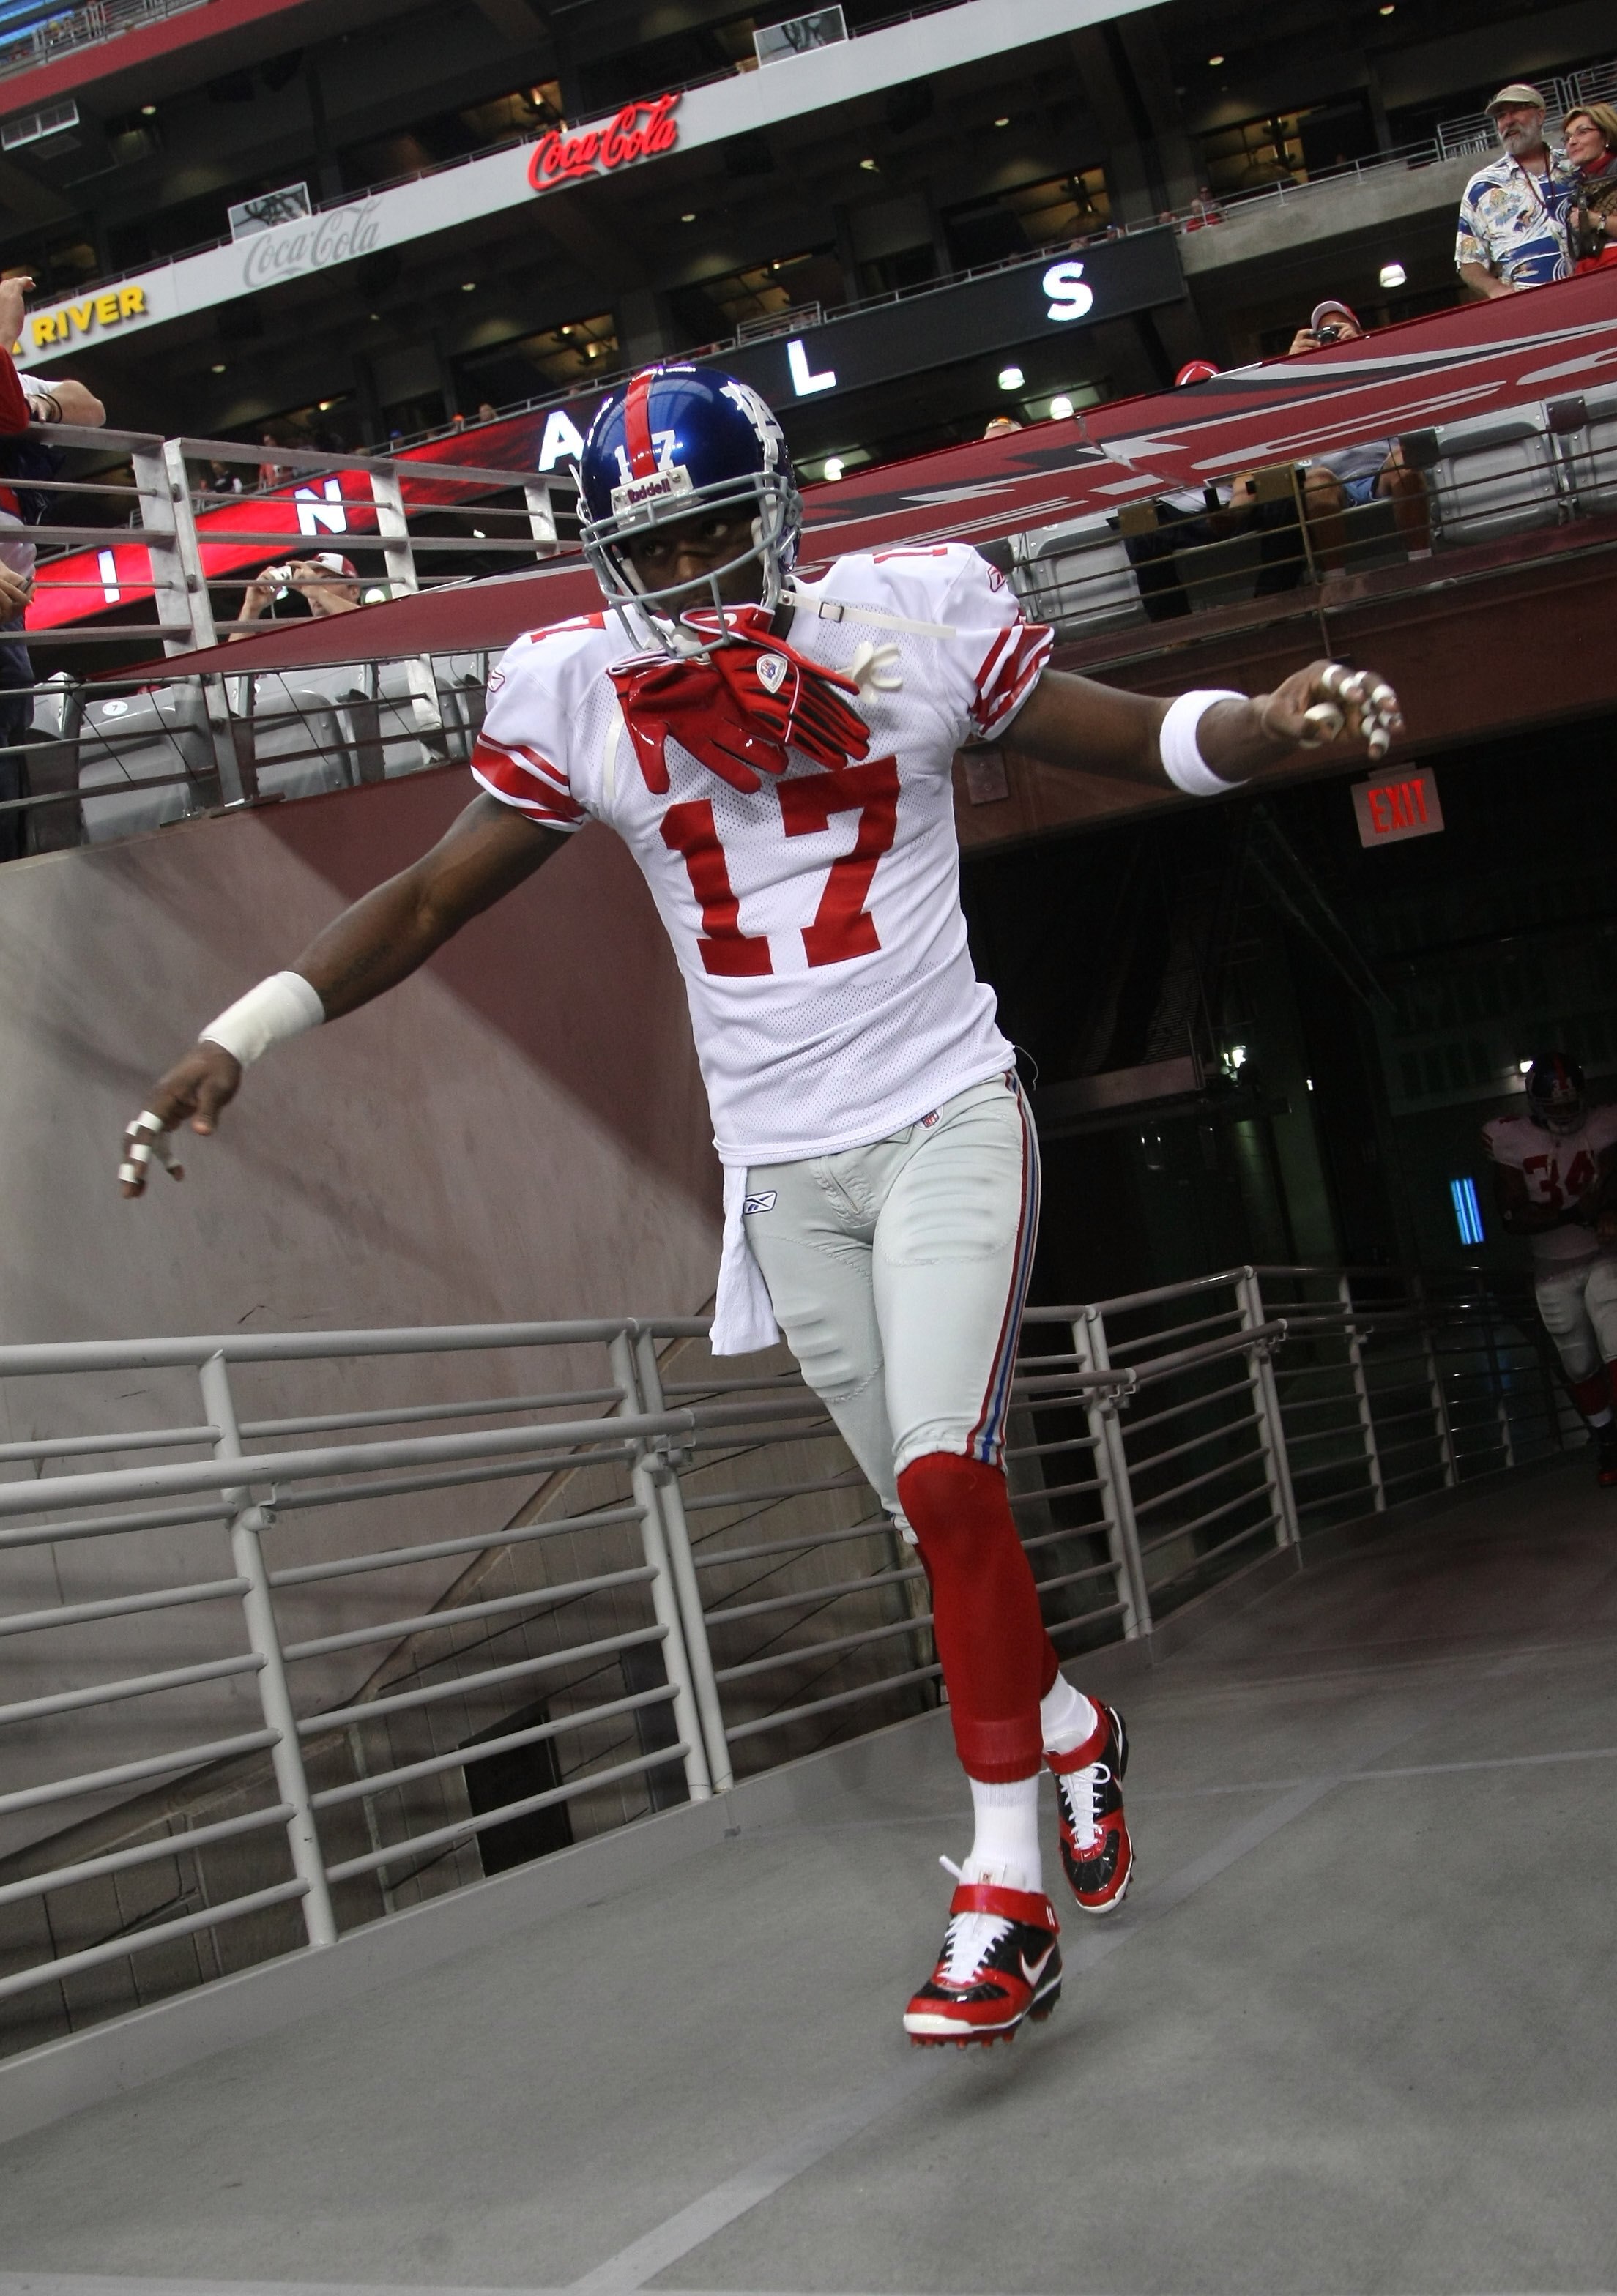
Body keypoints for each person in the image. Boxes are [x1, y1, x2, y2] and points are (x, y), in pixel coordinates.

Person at [118, 362, 1402, 2049]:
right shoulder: (575, 688)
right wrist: (244, 1029)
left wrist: (1262, 725)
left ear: (779, 499)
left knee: (951, 1479)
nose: (703, 563)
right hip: (782, 1171)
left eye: (721, 521)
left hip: (943, 1113)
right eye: (663, 538)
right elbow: (432, 894)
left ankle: (1002, 1897)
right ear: (603, 548)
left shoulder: (911, 615)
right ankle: (1069, 1728)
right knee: (933, 1520)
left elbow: (1133, 734)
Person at [0, 271, 105, 860]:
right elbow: (9, 421)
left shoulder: (10, 377)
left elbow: (88, 404)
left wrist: (36, 399)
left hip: (10, 615)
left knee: (12, 759)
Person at [1484, 1056, 1617, 1486]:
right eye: (1553, 1105)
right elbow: (1512, 1217)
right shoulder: (1511, 1138)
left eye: (1569, 1103)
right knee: (1578, 1364)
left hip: (1603, 1255)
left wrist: (1609, 1200)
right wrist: (1578, 1211)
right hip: (1552, 1269)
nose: (1563, 1112)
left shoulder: (1603, 1124)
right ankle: (1608, 1441)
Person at [1280, 301, 1430, 562]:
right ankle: (1337, 584)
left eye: (1338, 329)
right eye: (1323, 333)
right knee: (1315, 483)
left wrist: (1364, 349)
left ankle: (1425, 564)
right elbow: (1278, 420)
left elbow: (1410, 394)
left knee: (1405, 463)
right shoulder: (1304, 385)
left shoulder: (1380, 367)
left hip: (1381, 472)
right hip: (1333, 481)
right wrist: (1289, 368)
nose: (1331, 336)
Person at [1455, 83, 1575, 297]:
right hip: (1529, 305)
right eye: (1501, 116)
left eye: (1517, 110)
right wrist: (1496, 290)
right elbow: (1468, 261)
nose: (1508, 121)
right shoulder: (1483, 187)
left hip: (1592, 290)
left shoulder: (1574, 165)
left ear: (1540, 116)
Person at [228, 552, 362, 638]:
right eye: (312, 580)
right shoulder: (302, 641)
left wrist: (320, 593)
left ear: (354, 591)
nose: (315, 586)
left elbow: (370, 628)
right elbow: (230, 673)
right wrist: (251, 609)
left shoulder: (373, 628)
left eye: (326, 580)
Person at [1562, 103, 1617, 272]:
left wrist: (1598, 221)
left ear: (1606, 136)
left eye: (1582, 132)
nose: (1572, 142)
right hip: (1592, 274)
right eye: (1567, 138)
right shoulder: (1577, 188)